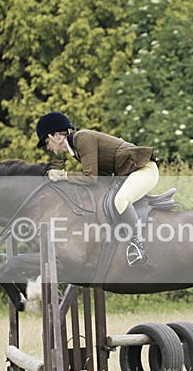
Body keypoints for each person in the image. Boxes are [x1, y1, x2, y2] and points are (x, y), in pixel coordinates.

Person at [35, 112, 159, 266]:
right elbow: (100, 178)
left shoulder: (82, 138)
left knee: (120, 200)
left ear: (54, 135)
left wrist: (63, 175)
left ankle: (137, 246)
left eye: (47, 142)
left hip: (144, 169)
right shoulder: (76, 148)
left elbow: (90, 177)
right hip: (128, 173)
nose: (48, 148)